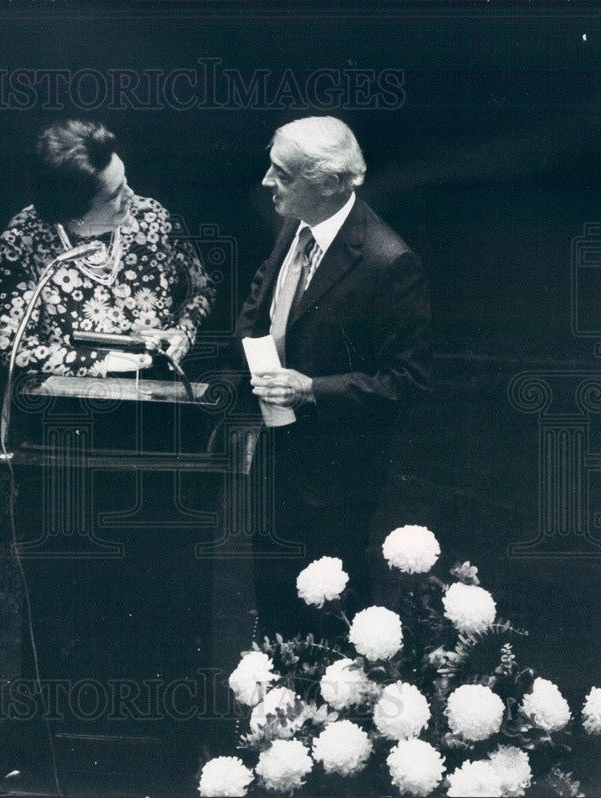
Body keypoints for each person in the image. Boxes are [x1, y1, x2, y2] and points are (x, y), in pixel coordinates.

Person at [235, 116, 431, 639]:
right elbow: (260, 306)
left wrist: (311, 390)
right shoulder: (296, 226)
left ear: (328, 183)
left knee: (330, 616)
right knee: (273, 603)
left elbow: (405, 381)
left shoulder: (390, 262)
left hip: (334, 476)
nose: (266, 182)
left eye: (282, 174)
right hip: (274, 455)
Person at [0, 119, 214, 376]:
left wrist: (184, 331)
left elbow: (201, 290)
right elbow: (12, 348)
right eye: (115, 194)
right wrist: (102, 363)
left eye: (125, 180)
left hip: (157, 395)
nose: (131, 194)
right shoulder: (23, 240)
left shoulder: (153, 218)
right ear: (75, 211)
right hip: (67, 405)